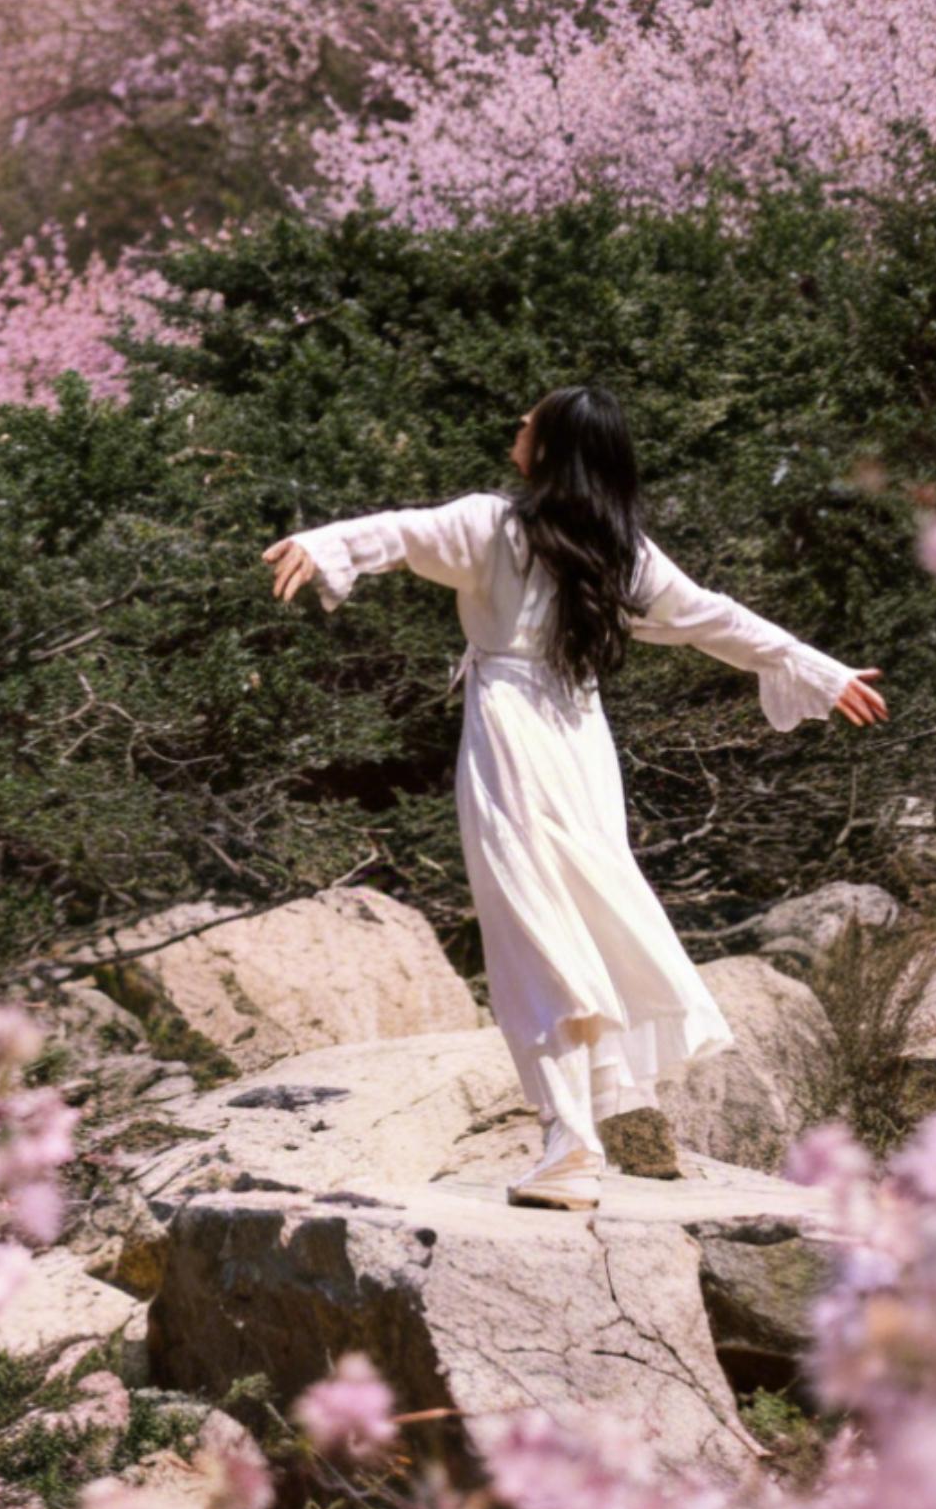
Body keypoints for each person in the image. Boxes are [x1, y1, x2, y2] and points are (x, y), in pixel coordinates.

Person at [262, 386, 886, 1212]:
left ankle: (571, 1141)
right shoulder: (617, 550)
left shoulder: (497, 524)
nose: (515, 431)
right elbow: (715, 618)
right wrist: (818, 668)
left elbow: (400, 531)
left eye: (528, 425)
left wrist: (319, 539)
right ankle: (596, 1115)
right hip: (580, 743)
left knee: (530, 925)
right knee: (575, 915)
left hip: (516, 737)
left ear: (552, 449)